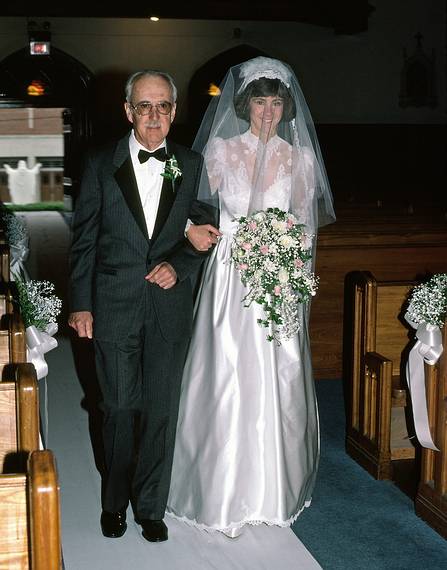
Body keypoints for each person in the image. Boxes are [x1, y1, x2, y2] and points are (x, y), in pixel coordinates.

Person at [167, 56, 335, 537]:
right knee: (227, 374)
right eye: (259, 101)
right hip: (230, 273)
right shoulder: (220, 152)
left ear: (286, 107)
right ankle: (221, 493)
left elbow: (304, 225)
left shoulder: (299, 158)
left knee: (276, 377)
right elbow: (186, 206)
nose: (267, 111)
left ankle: (271, 489)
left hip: (278, 277)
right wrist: (199, 232)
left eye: (276, 102)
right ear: (244, 105)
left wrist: (291, 268)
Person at [68, 69, 217, 543]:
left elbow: (205, 228)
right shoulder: (98, 163)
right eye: (144, 106)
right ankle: (114, 502)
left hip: (169, 308)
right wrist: (81, 304)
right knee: (118, 406)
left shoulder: (192, 164)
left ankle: (151, 506)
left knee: (160, 410)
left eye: (164, 106)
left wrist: (182, 261)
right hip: (113, 305)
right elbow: (83, 241)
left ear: (175, 111)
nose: (154, 115)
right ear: (128, 110)